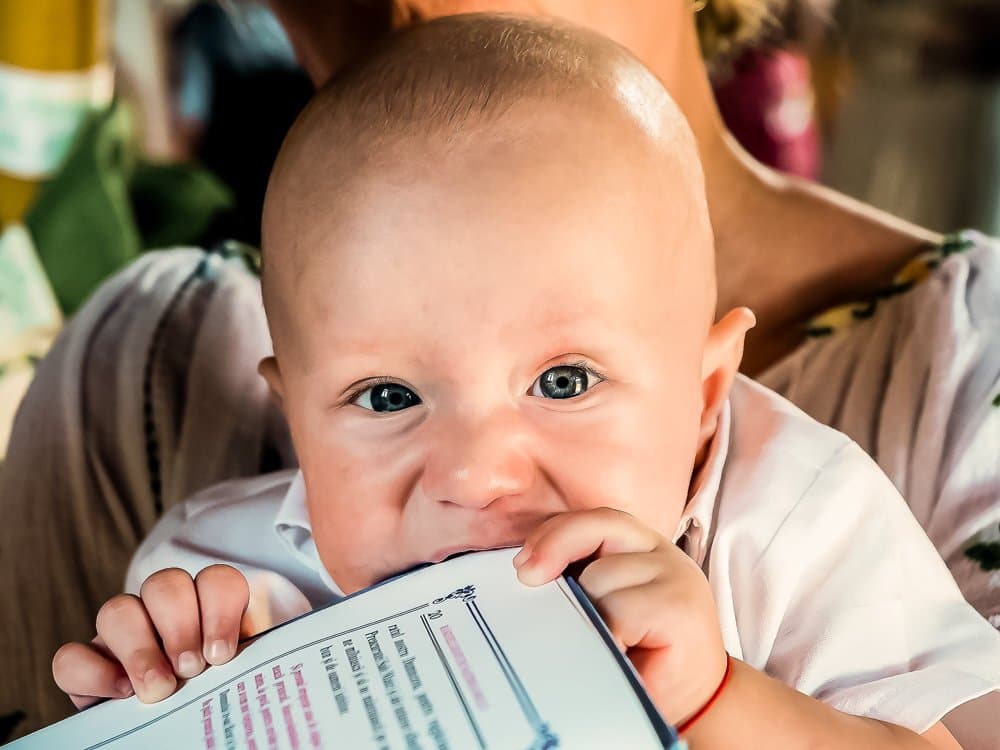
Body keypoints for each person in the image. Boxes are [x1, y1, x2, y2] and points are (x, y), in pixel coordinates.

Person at [2, 0, 997, 740]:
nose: (474, 475)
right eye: (387, 398)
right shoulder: (221, 564)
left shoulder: (793, 521)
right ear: (293, 416)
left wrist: (717, 701)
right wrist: (164, 709)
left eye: (563, 383)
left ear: (707, 395)